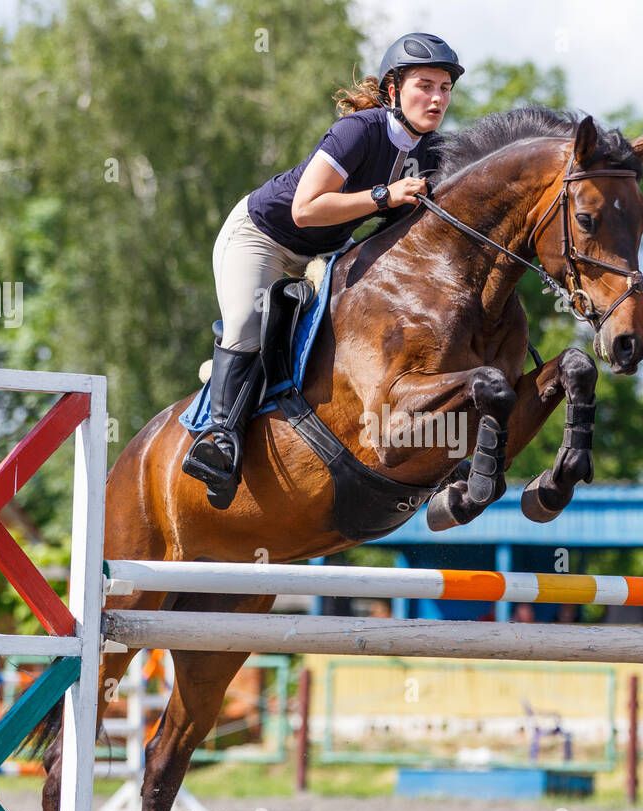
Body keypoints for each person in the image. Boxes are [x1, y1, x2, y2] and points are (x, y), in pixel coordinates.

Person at [182, 33, 464, 506]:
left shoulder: (434, 153)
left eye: (445, 88)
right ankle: (220, 438)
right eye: (425, 85)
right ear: (393, 90)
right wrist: (382, 196)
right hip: (263, 237)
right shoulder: (360, 131)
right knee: (249, 326)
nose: (437, 98)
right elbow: (305, 209)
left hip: (328, 250)